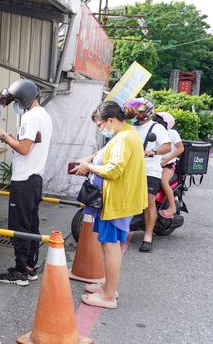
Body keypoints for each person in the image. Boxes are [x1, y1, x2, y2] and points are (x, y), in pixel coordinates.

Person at [73, 101, 147, 309]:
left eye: (100, 125)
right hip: (118, 199)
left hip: (116, 201)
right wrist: (88, 161)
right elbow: (105, 154)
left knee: (111, 246)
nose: (101, 129)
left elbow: (114, 171)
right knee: (110, 244)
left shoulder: (123, 139)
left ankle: (108, 296)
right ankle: (108, 286)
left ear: (111, 120)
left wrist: (89, 167)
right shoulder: (126, 133)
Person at [0, 79, 52, 286]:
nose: (15, 106)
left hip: (24, 179)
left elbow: (24, 148)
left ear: (24, 99)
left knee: (19, 227)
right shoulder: (44, 115)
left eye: (15, 102)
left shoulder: (30, 116)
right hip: (35, 179)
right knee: (31, 225)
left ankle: (19, 273)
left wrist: (4, 136)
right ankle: (29, 267)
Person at [123, 98, 171, 253]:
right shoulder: (129, 128)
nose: (133, 113)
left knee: (149, 200)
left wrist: (154, 151)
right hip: (131, 170)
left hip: (150, 170)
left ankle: (148, 236)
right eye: (132, 111)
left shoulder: (156, 127)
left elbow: (167, 146)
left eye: (136, 111)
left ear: (145, 112)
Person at [154, 111, 184, 218]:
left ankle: (172, 207)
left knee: (163, 181)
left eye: (159, 121)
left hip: (169, 165)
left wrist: (167, 160)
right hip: (154, 164)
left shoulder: (172, 133)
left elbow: (181, 148)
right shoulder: (154, 132)